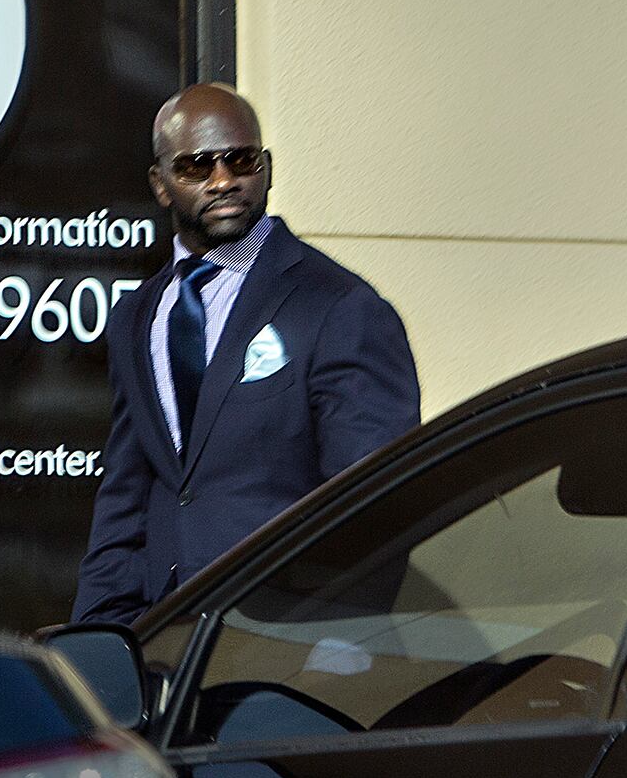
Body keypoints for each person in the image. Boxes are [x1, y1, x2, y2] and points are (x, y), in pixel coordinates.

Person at [73, 83, 419, 623]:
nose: (223, 180)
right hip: (163, 640)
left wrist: (330, 650)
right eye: (195, 166)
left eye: (241, 160)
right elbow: (126, 498)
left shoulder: (339, 306)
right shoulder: (136, 318)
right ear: (160, 185)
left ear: (268, 168)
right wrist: (98, 640)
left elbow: (373, 510)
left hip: (284, 642)